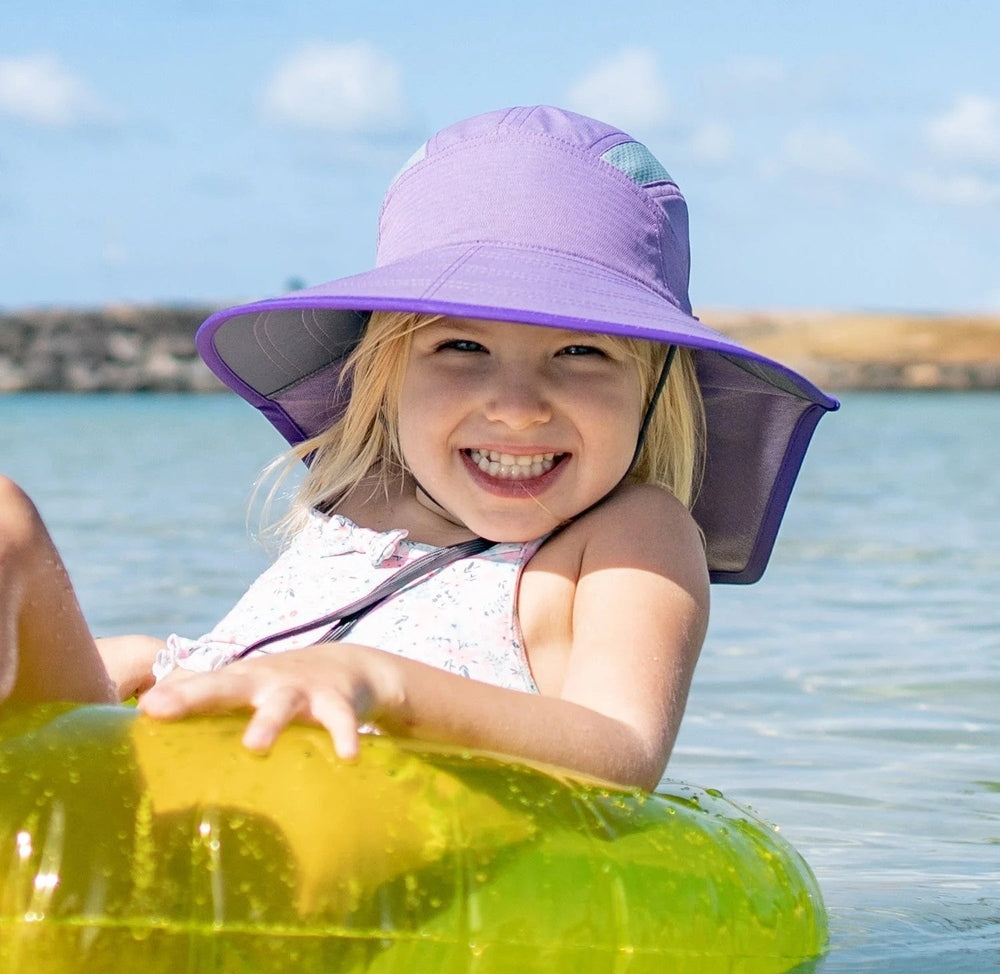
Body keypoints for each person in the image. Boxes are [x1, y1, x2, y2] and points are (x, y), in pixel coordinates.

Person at [0, 106, 837, 791]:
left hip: (347, 840)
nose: (516, 408)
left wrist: (381, 685)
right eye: (460, 347)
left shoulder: (630, 535)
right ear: (386, 373)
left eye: (582, 352)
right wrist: (156, 664)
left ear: (656, 389)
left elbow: (622, 749)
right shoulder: (360, 510)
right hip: (186, 791)